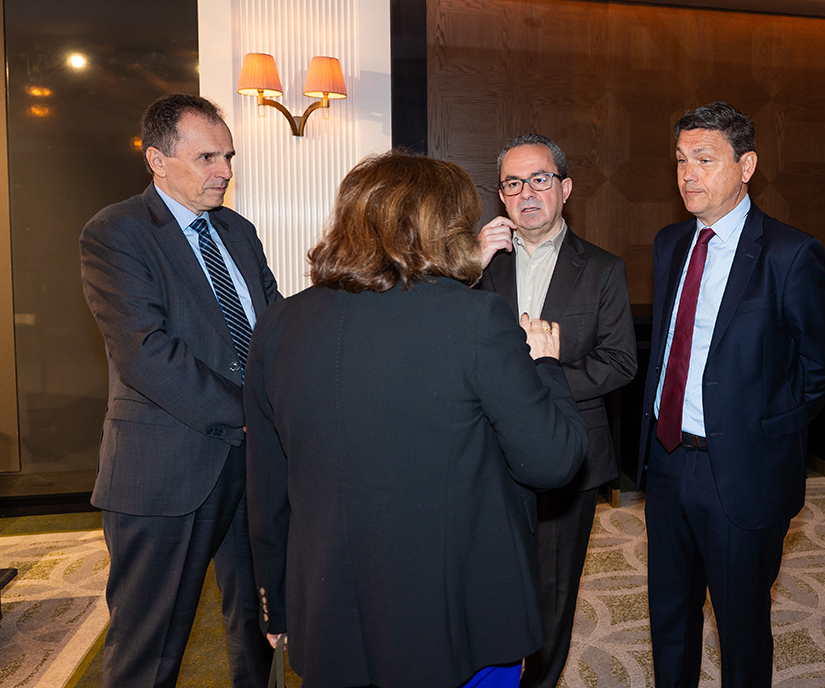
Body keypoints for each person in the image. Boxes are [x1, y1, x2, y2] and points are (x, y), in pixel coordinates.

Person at [244, 150, 589, 688]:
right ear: (444, 228)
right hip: (460, 618)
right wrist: (545, 364)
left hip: (331, 614)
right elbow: (552, 460)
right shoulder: (476, 318)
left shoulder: (278, 323)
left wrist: (276, 604)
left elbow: (266, 489)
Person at [635, 102, 825, 687]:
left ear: (746, 166)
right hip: (667, 459)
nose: (688, 174)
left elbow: (823, 362)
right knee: (669, 615)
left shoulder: (789, 253)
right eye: (681, 160)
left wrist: (767, 427)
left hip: (742, 470)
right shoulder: (670, 242)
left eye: (705, 159)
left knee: (741, 625)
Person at [79, 94, 277, 687]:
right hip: (167, 466)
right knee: (151, 648)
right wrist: (253, 413)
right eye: (207, 157)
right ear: (157, 160)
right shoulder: (116, 231)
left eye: (229, 156)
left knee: (261, 629)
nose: (225, 170)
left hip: (255, 465)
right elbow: (146, 353)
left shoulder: (238, 231)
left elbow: (273, 327)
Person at [476, 133, 637, 688]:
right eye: (513, 183)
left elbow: (619, 362)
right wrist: (466, 265)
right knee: (485, 580)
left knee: (552, 590)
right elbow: (439, 338)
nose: (527, 192)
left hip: (569, 452)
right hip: (485, 453)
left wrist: (538, 380)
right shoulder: (479, 265)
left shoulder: (603, 268)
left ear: (565, 188)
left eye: (539, 179)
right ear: (501, 196)